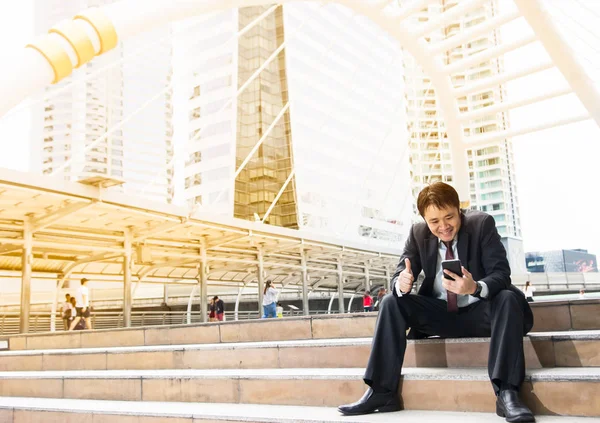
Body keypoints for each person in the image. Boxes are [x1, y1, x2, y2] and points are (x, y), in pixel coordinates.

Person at [338, 182, 534, 422]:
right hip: (441, 315)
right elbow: (401, 271)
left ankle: (507, 393)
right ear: (424, 220)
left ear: (458, 209)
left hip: (481, 313)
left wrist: (474, 287)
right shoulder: (418, 233)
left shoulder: (482, 224)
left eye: (449, 217)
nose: (443, 227)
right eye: (434, 222)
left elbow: (501, 274)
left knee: (507, 297)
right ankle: (381, 392)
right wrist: (402, 282)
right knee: (391, 301)